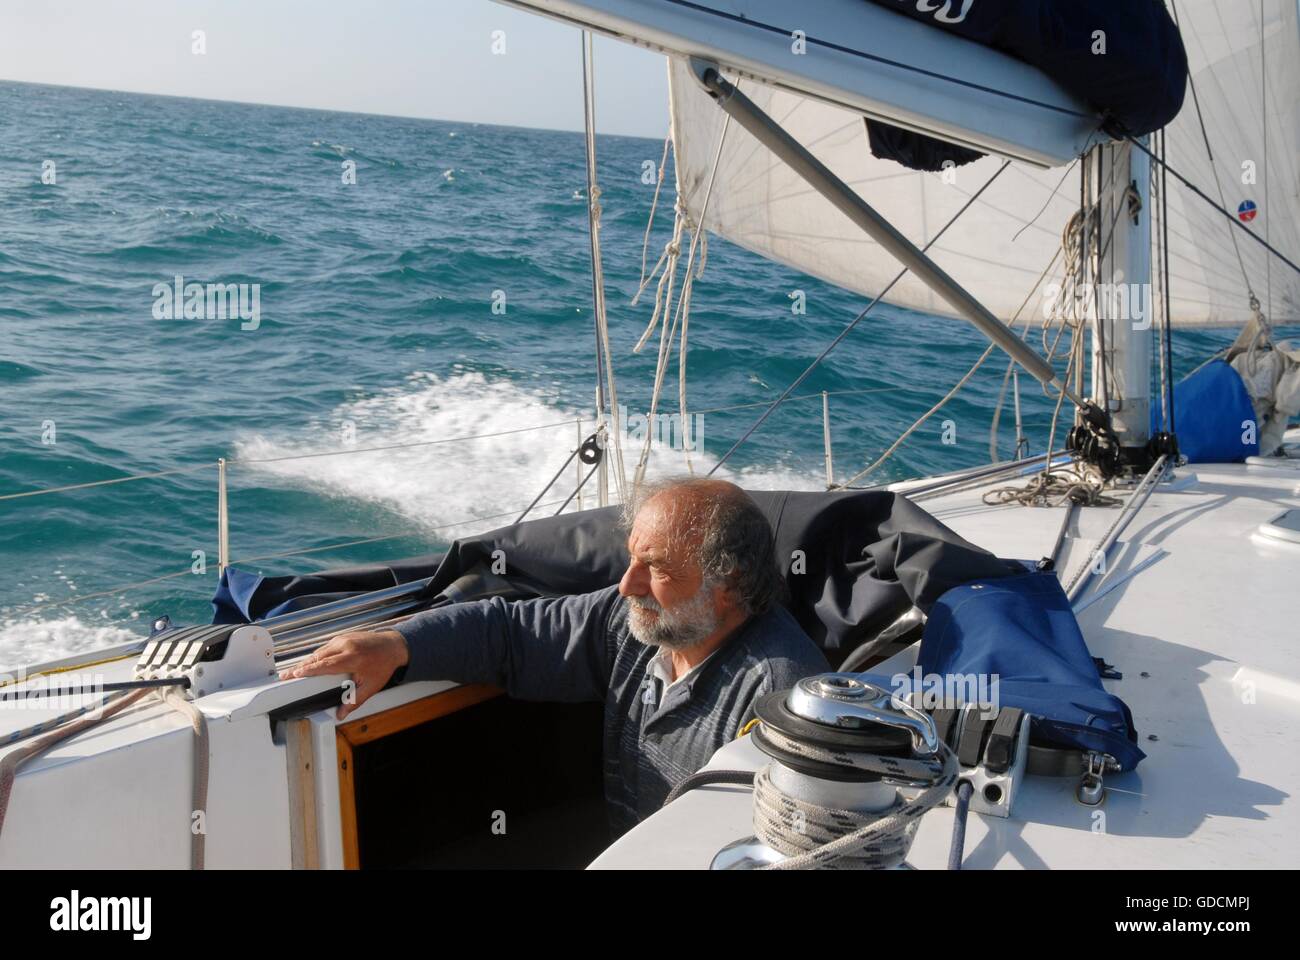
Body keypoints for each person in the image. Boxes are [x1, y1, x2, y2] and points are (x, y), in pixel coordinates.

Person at [279, 477, 830, 835]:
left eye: (657, 568)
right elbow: (510, 634)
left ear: (726, 581)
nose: (627, 585)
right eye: (631, 559)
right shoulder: (634, 625)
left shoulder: (779, 693)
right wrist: (399, 645)